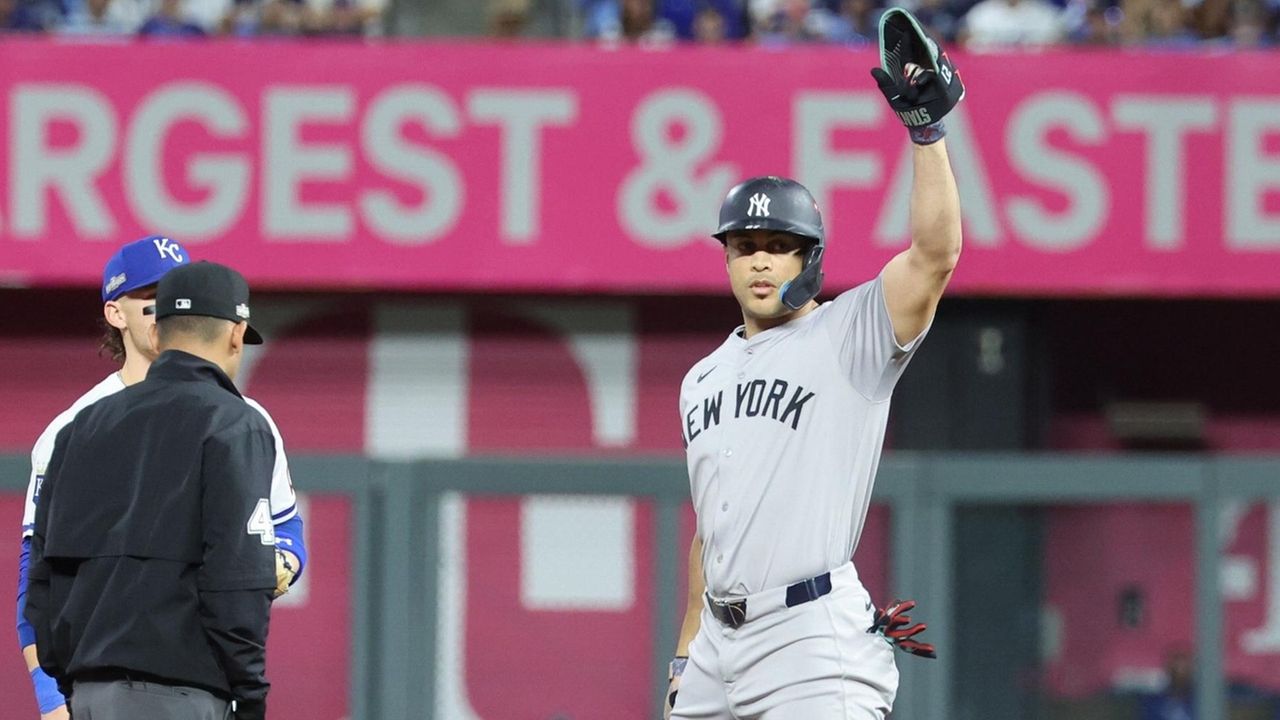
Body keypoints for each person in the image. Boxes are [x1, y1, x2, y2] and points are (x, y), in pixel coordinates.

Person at [665, 9, 964, 719]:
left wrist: (927, 134)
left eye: (780, 243)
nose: (761, 258)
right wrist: (684, 656)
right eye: (744, 244)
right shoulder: (700, 378)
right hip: (715, 644)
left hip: (807, 636)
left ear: (810, 256)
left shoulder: (850, 332)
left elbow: (934, 256)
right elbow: (711, 535)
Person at [16, 236, 306, 720]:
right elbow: (38, 573)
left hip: (160, 679)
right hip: (156, 686)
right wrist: (50, 699)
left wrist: (279, 563)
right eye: (147, 299)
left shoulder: (246, 416)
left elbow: (286, 531)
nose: (160, 309)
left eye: (168, 297)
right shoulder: (73, 426)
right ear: (116, 315)